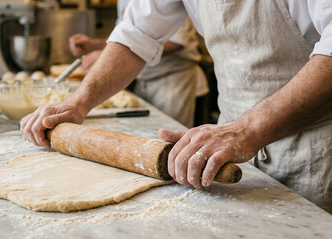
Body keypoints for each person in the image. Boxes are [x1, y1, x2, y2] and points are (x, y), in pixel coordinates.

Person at [21, 0, 332, 213]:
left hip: (315, 148)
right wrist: (78, 102)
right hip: (225, 145)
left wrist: (246, 129)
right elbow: (136, 33)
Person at [69, 0, 208, 128]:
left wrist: (103, 55)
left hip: (171, 80)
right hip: (146, 78)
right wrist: (96, 44)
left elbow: (177, 41)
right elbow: (133, 34)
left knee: (170, 136)